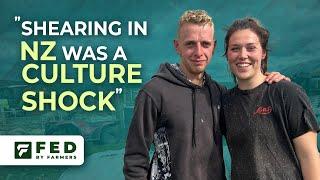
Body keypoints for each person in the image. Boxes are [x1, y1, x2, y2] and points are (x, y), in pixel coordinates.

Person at [123, 10, 286, 180]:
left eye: (205, 44)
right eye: (190, 44)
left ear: (214, 47)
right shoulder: (153, 92)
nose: (199, 52)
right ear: (177, 46)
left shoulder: (219, 93)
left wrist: (271, 82)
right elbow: (135, 158)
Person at [221, 17, 320, 179]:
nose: (242, 55)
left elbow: (309, 156)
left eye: (251, 48)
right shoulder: (226, 103)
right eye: (235, 49)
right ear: (227, 55)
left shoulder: (287, 93)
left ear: (263, 53)